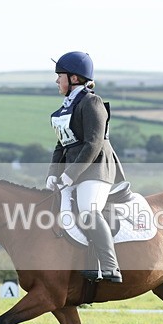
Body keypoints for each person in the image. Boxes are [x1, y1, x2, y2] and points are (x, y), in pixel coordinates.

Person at [46, 51, 125, 283]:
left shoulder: (92, 102)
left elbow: (93, 143)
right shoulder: (65, 108)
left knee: (88, 209)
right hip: (75, 171)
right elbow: (61, 145)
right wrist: (53, 173)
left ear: (74, 78)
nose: (56, 81)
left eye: (59, 76)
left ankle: (111, 265)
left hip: (96, 170)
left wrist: (70, 174)